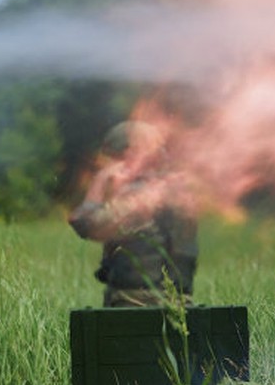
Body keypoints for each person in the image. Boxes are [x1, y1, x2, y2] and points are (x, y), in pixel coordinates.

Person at [68, 121, 198, 308]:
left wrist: (100, 182)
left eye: (112, 159)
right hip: (179, 303)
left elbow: (84, 223)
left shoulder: (146, 196)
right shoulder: (177, 189)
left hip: (137, 304)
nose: (107, 166)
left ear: (132, 153)